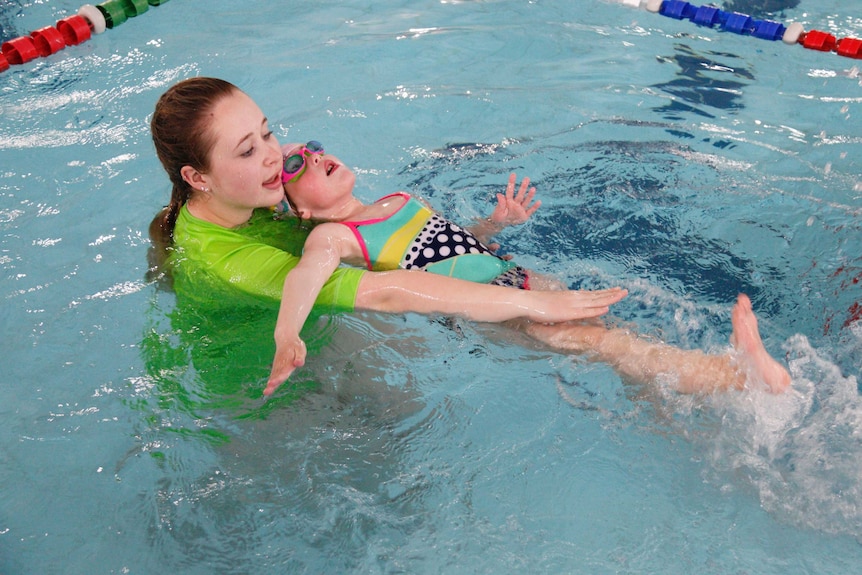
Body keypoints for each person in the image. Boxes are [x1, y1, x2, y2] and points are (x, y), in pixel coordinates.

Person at [148, 77, 629, 394]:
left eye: (268, 134)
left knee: (615, 347)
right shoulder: (234, 261)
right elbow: (387, 293)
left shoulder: (260, 195)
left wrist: (488, 230)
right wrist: (535, 305)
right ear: (198, 177)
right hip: (264, 382)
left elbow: (405, 246)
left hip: (486, 290)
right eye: (248, 150)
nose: (275, 157)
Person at [269, 139, 792, 397]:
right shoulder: (334, 234)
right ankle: (742, 379)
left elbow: (450, 244)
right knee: (603, 345)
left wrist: (495, 225)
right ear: (300, 209)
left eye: (312, 148)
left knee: (616, 337)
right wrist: (287, 331)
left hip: (517, 278)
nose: (313, 156)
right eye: (295, 165)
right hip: (492, 313)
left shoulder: (397, 198)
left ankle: (693, 393)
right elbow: (306, 273)